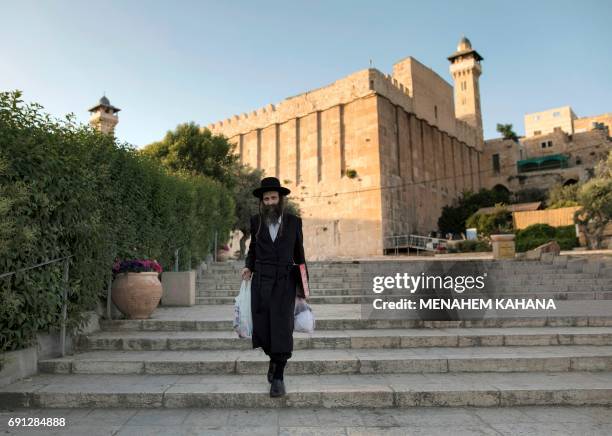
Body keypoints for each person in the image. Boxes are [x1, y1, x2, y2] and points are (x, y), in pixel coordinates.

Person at [241, 176, 308, 398]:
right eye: (266, 199)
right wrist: (248, 267)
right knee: (263, 330)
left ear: (280, 199)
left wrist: (303, 286)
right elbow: (253, 249)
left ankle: (278, 376)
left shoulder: (294, 222)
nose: (270, 202)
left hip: (285, 282)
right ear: (262, 201)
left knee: (282, 329)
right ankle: (273, 359)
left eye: (273, 198)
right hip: (261, 281)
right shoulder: (256, 221)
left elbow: (300, 254)